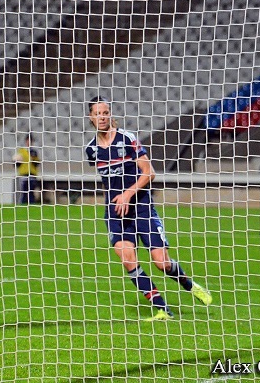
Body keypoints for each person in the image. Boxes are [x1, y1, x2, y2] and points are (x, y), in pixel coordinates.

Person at [84, 96, 212, 321]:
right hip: (116, 212)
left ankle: (190, 285)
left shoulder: (128, 139)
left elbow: (149, 172)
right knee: (128, 260)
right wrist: (118, 198)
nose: (102, 117)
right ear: (91, 118)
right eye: (97, 113)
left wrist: (127, 194)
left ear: (110, 114)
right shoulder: (91, 150)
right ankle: (163, 309)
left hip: (142, 207)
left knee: (162, 263)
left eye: (105, 113)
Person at [13, 133, 41, 204]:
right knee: (23, 191)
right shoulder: (21, 151)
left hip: (32, 174)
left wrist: (33, 158)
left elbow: (37, 163)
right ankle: (22, 204)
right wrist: (17, 160)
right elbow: (16, 164)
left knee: (31, 191)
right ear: (26, 141)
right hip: (23, 174)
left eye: (31, 141)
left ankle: (31, 205)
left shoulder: (34, 152)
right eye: (28, 140)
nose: (29, 142)